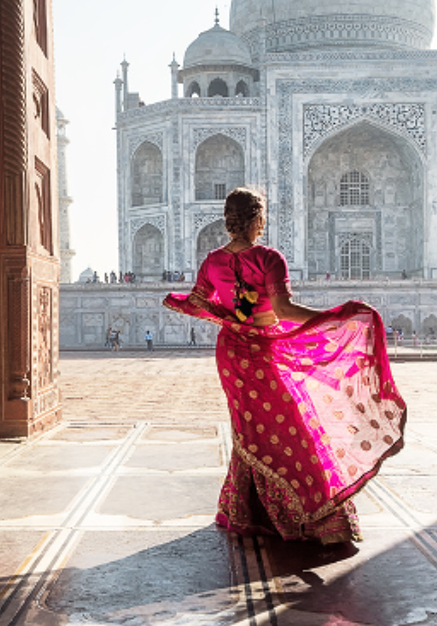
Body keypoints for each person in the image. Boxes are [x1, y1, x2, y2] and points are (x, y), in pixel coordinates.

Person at [164, 187, 405, 545]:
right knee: (291, 424)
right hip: (261, 348)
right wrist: (333, 317)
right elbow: (285, 311)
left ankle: (248, 510)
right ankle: (310, 514)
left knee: (252, 430)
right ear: (258, 219)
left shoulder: (212, 260)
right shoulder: (268, 257)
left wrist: (229, 319)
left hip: (232, 352)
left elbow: (198, 303)